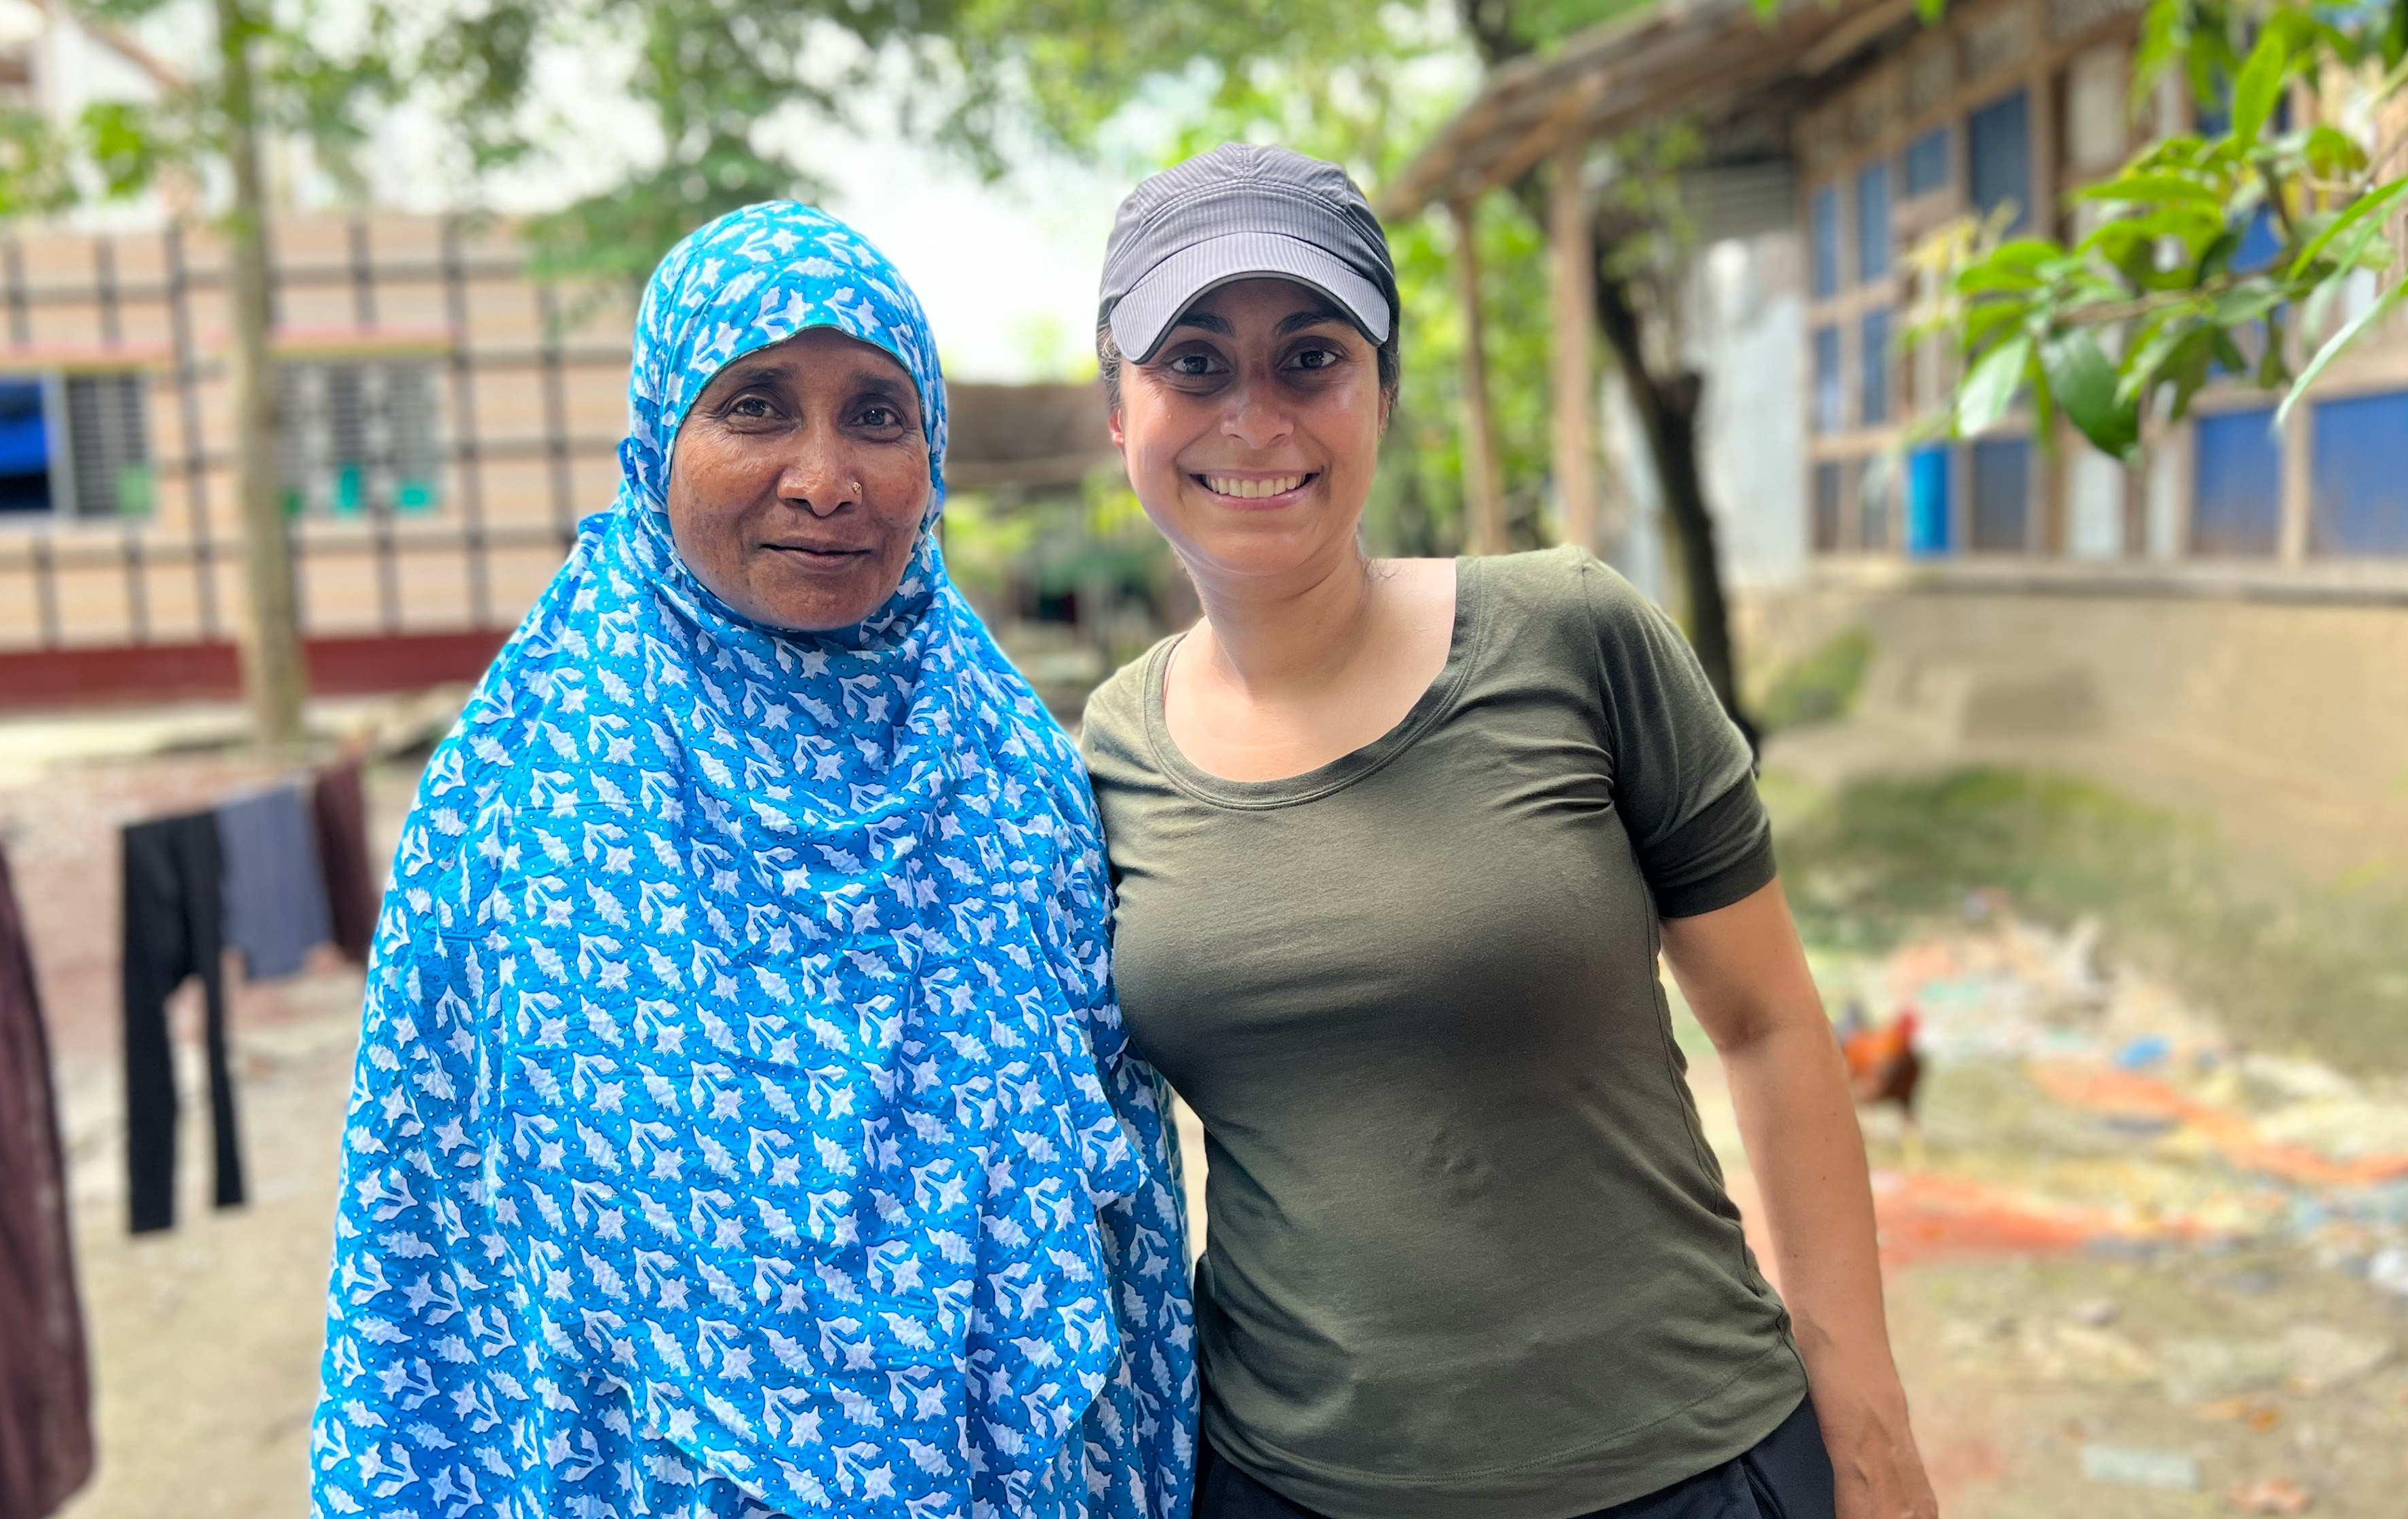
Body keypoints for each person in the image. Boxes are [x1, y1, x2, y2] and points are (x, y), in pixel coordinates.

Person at [1080, 144, 1937, 1519]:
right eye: (1192, 361)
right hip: (1289, 1485)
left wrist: (1872, 1426)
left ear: (1381, 396)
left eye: (1311, 357)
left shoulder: (1572, 634)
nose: (1253, 416)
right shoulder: (1104, 751)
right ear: (1118, 412)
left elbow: (1772, 1023)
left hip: (1682, 1468)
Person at [311, 204, 1197, 1519]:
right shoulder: (526, 786)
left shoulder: (1012, 776)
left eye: (880, 415)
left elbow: (1120, 1221)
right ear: (661, 432)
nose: (827, 477)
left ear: (933, 453)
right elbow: (422, 1245)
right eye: (757, 405)